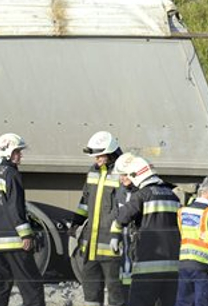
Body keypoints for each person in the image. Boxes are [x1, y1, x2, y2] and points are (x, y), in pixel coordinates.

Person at [0, 133, 46, 306]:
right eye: (17, 152)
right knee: (31, 287)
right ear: (7, 153)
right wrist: (26, 235)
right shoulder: (11, 174)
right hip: (14, 243)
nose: (20, 156)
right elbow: (15, 207)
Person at [110, 153, 181, 306]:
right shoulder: (173, 196)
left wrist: (115, 235)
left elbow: (123, 216)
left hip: (147, 264)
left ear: (136, 175)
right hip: (173, 266)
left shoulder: (143, 195)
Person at [70, 131, 127, 306]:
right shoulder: (92, 172)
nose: (96, 160)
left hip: (112, 246)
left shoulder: (122, 173)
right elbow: (85, 202)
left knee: (116, 292)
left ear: (110, 153)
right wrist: (76, 223)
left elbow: (125, 208)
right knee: (91, 293)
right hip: (91, 246)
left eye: (99, 156)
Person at [175, 177, 208, 306]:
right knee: (203, 302)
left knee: (183, 301)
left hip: (184, 262)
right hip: (203, 265)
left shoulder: (183, 211)